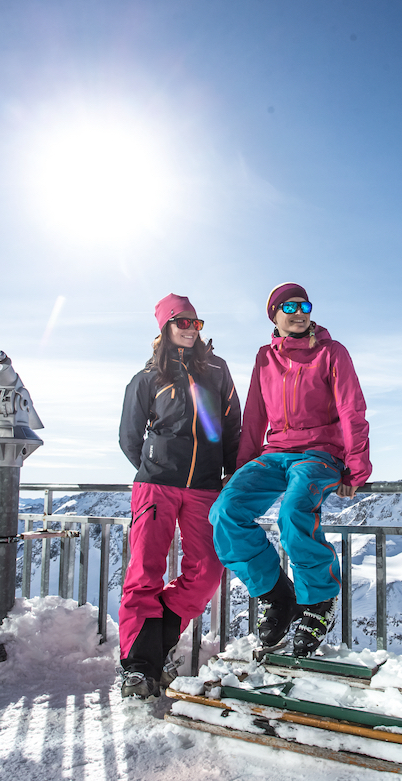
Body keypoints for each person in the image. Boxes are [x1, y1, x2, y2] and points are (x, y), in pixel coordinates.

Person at [210, 283, 371, 657]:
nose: (299, 312)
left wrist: (356, 467)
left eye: (305, 305)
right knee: (225, 512)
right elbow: (254, 416)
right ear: (274, 315)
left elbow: (351, 408)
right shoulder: (265, 358)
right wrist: (240, 468)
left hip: (320, 453)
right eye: (289, 306)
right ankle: (279, 597)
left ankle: (319, 602)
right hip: (274, 452)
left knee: (293, 512)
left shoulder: (332, 353)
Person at [117, 293, 241, 699]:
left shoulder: (217, 371)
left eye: (195, 322)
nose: (190, 329)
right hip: (156, 484)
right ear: (165, 327)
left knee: (207, 570)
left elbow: (232, 426)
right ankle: (139, 667)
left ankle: (157, 640)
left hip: (205, 485)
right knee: (144, 572)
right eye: (182, 322)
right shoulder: (147, 378)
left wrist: (226, 472)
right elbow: (130, 436)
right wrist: (157, 465)